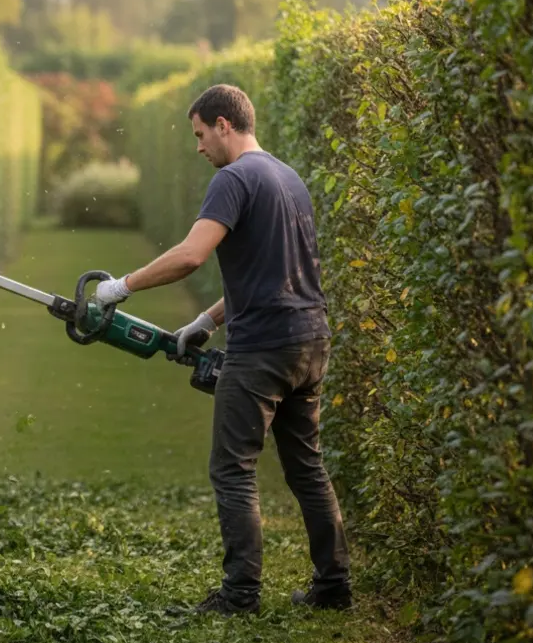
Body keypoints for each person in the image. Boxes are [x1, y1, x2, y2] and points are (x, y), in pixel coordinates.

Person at [91, 84, 352, 616]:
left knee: (233, 469)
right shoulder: (288, 178)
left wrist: (122, 286)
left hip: (262, 350)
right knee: (307, 467)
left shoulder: (233, 180)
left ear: (223, 125)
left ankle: (240, 595)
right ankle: (334, 587)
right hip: (310, 341)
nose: (198, 148)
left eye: (200, 134)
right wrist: (206, 321)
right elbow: (274, 273)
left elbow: (191, 255)